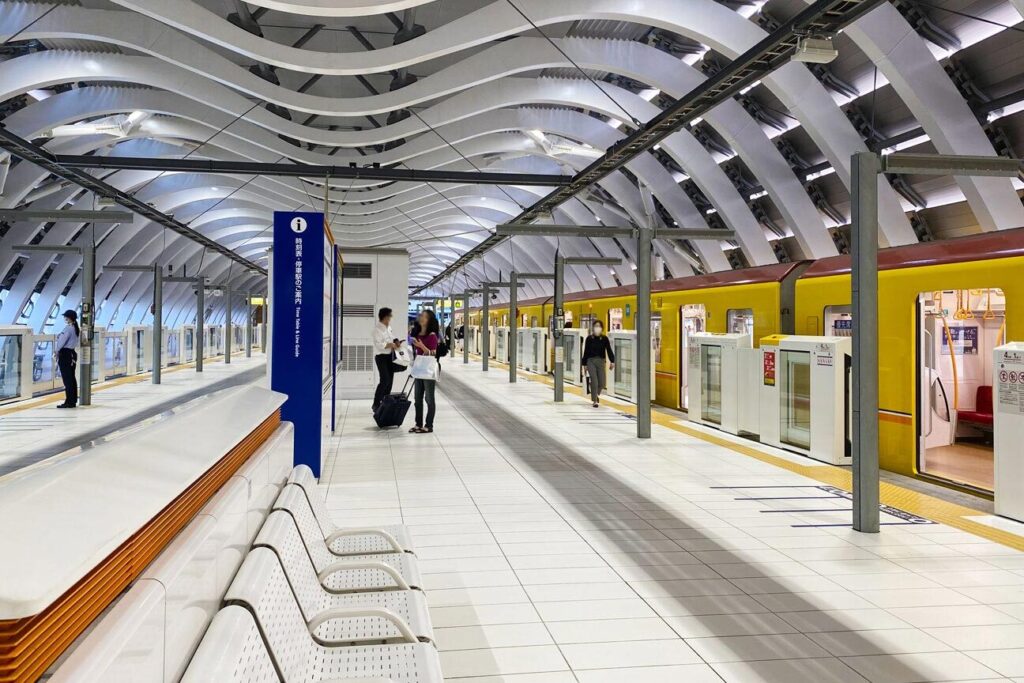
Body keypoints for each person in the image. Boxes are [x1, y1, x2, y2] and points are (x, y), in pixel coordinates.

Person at [409, 309, 439, 433]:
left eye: (425, 317)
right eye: (421, 316)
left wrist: (421, 346)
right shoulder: (417, 334)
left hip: (428, 370)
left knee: (429, 399)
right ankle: (418, 424)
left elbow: (433, 353)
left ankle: (429, 425)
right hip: (419, 369)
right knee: (417, 399)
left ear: (429, 321)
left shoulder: (432, 335)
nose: (422, 318)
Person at [371, 307, 404, 412]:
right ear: (385, 317)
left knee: (389, 381)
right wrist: (391, 345)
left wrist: (396, 341)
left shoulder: (388, 327)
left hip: (390, 357)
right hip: (381, 357)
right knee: (384, 380)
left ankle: (385, 403)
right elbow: (379, 345)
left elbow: (392, 336)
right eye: (390, 316)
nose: (391, 318)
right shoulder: (377, 330)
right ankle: (376, 404)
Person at [582, 320, 615, 408]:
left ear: (602, 328)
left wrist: (612, 361)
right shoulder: (589, 338)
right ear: (593, 328)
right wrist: (584, 364)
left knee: (602, 383)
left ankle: (595, 392)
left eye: (599, 326)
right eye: (596, 326)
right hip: (590, 361)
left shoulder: (604, 339)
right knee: (595, 381)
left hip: (601, 361)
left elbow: (609, 350)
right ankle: (595, 401)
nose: (597, 328)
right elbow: (586, 351)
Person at [54, 309, 80, 409]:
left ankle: (69, 401)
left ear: (69, 318)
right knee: (71, 378)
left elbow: (62, 341)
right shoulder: (75, 328)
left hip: (65, 354)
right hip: (72, 354)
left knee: (67, 379)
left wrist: (57, 351)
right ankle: (72, 400)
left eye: (66, 316)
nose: (65, 318)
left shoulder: (68, 328)